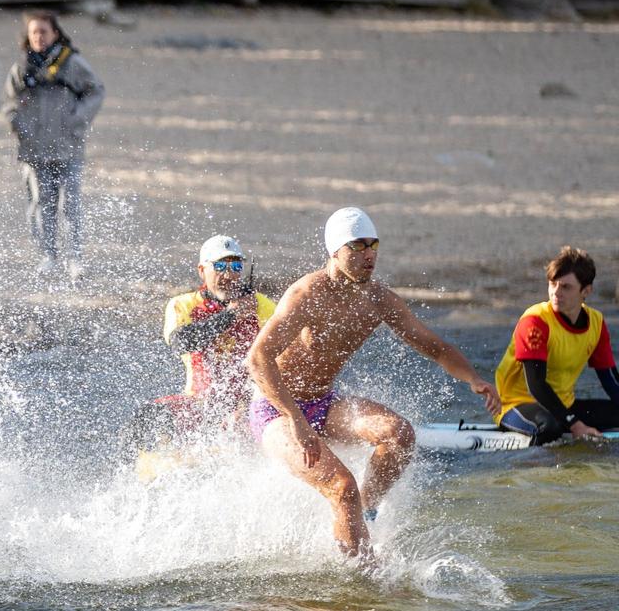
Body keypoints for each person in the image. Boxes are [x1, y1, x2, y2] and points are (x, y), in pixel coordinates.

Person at [247, 208, 500, 557]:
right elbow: (257, 359)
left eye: (373, 246)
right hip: (277, 412)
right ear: (335, 251)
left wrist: (475, 379)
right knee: (342, 487)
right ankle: (362, 580)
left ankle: (363, 515)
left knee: (399, 435)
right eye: (357, 247)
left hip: (323, 402)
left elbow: (434, 346)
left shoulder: (379, 300)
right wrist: (296, 419)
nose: (369, 255)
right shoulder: (306, 295)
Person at [7, 9, 103, 283]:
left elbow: (96, 90)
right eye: (33, 32)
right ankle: (47, 255)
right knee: (40, 203)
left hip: (67, 146)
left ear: (55, 33)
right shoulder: (21, 68)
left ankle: (75, 257)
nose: (38, 36)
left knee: (69, 203)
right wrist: (18, 125)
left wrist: (76, 119)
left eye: (43, 31)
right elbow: (10, 103)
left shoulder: (72, 64)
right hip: (33, 149)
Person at [149, 235, 276, 439]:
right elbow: (181, 342)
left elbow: (286, 353)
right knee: (150, 416)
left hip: (251, 402)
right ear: (202, 271)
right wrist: (231, 315)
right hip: (200, 402)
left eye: (235, 267)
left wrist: (249, 402)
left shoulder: (261, 305)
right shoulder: (183, 305)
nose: (228, 275)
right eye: (219, 266)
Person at [490, 246, 619, 445]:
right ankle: (534, 470)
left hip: (563, 406)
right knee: (551, 427)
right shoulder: (535, 321)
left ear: (586, 291)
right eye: (553, 284)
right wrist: (576, 426)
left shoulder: (596, 322)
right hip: (515, 405)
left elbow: (610, 380)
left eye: (566, 287)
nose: (556, 293)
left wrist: (572, 419)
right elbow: (537, 385)